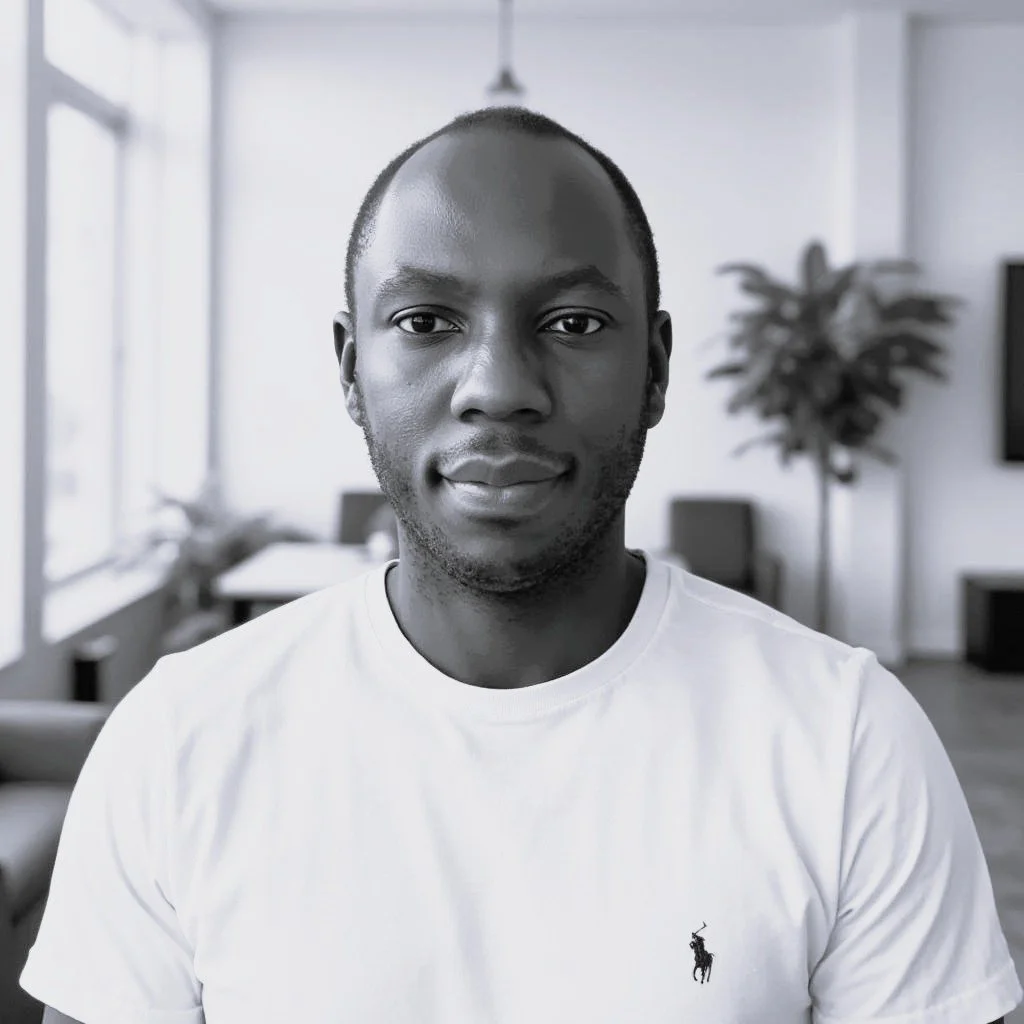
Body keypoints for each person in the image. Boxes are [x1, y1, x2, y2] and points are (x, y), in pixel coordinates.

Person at [21, 106, 1020, 1024]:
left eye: (573, 323)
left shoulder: (845, 739)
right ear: (349, 369)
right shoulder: (180, 740)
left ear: (657, 367)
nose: (497, 388)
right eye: (425, 322)